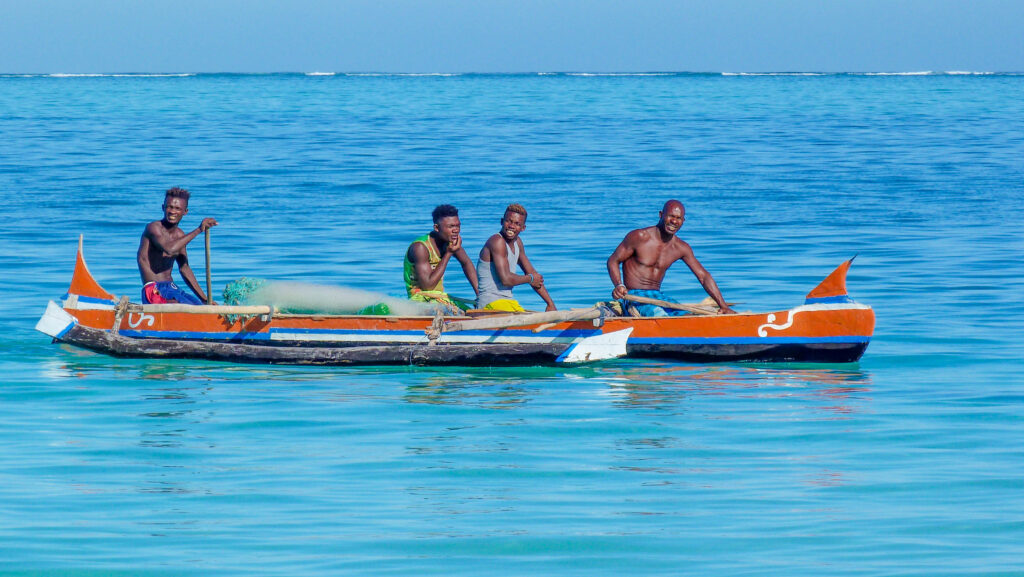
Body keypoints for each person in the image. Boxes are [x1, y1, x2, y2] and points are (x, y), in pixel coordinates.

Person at [607, 200, 734, 316]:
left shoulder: (681, 247)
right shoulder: (639, 237)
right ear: (661, 215)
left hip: (659, 296)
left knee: (687, 315)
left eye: (678, 218)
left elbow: (703, 276)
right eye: (671, 216)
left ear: (683, 221)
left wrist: (723, 306)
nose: (674, 221)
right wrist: (619, 285)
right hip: (634, 297)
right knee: (659, 315)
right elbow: (613, 260)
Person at [137, 187, 218, 305]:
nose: (172, 211)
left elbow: (184, 269)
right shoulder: (153, 228)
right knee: (177, 307)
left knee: (200, 307)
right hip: (153, 289)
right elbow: (169, 249)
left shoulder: (180, 235)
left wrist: (205, 299)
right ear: (163, 207)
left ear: (185, 212)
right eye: (169, 207)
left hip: (171, 287)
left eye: (177, 208)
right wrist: (199, 229)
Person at [476, 203, 556, 312]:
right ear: (502, 221)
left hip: (506, 303)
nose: (512, 226)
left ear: (523, 228)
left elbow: (533, 274)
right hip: (490, 303)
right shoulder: (497, 241)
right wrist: (530, 279)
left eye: (517, 223)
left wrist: (550, 303)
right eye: (508, 221)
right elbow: (506, 279)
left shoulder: (518, 243)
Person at [404, 204, 479, 314]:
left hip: (439, 298)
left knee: (470, 312)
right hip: (420, 299)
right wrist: (448, 253)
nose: (456, 230)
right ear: (437, 228)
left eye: (458, 226)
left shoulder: (450, 243)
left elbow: (466, 263)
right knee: (452, 313)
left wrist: (480, 294)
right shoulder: (420, 247)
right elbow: (428, 286)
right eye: (451, 226)